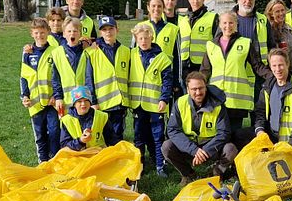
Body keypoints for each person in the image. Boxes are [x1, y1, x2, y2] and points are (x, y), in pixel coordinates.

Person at [200, 11, 271, 134]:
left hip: (236, 101)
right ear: (220, 25)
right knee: (217, 134)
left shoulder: (245, 43)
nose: (228, 26)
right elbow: (205, 71)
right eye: (225, 23)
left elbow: (258, 66)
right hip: (216, 99)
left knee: (235, 135)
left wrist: (274, 76)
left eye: (231, 23)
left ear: (236, 24)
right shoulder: (211, 45)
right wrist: (197, 85)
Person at [162, 72, 238, 186]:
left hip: (211, 147)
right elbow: (172, 130)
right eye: (194, 89)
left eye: (201, 88)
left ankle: (215, 174)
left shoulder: (218, 105)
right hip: (190, 146)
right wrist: (194, 150)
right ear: (187, 90)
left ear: (206, 87)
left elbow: (224, 133)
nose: (198, 92)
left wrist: (206, 150)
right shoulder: (180, 103)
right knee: (166, 147)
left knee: (230, 149)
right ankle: (189, 175)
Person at [129, 24, 173, 177]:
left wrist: (164, 99)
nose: (143, 41)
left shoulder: (162, 58)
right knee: (139, 136)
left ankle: (160, 165)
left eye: (146, 38)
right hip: (138, 104)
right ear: (136, 39)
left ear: (152, 38)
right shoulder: (131, 54)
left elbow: (167, 82)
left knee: (158, 136)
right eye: (140, 38)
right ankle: (139, 165)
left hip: (156, 105)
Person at [254, 48, 292, 149]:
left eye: (280, 65)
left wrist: (290, 144)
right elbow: (260, 112)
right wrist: (260, 130)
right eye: (274, 66)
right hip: (272, 142)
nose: (278, 69)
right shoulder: (267, 87)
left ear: (287, 64)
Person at [20, 18, 60, 162]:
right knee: (40, 135)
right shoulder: (27, 53)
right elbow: (24, 77)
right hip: (35, 103)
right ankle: (42, 162)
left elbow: (59, 75)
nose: (40, 36)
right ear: (32, 34)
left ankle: (55, 160)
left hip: (52, 102)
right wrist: (24, 95)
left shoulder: (55, 52)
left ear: (48, 32)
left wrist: (56, 95)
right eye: (36, 33)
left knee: (55, 132)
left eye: (42, 33)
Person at [85, 16, 129, 145]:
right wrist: (93, 101)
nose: (108, 32)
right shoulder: (92, 52)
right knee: (102, 137)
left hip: (120, 103)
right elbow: (89, 79)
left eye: (111, 28)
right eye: (104, 30)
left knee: (118, 135)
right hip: (102, 104)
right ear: (100, 33)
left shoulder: (125, 51)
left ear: (117, 30)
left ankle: (117, 161)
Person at [51, 17, 92, 114]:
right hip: (66, 102)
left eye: (75, 31)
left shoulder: (88, 52)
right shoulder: (57, 53)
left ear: (80, 34)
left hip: (84, 102)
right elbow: (55, 78)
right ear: (64, 34)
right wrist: (58, 97)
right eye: (69, 31)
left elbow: (91, 78)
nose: (72, 34)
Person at [178, 0, 219, 79]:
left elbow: (217, 43)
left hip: (203, 65)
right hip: (185, 65)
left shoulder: (213, 18)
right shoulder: (182, 20)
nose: (195, 1)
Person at [59, 86, 114, 150]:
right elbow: (64, 145)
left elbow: (112, 139)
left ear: (90, 102)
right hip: (77, 155)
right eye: (79, 101)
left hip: (98, 154)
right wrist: (80, 141)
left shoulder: (102, 116)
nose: (83, 104)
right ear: (74, 104)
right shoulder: (66, 120)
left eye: (86, 100)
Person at [234, 0, 273, 64]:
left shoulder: (263, 20)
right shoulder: (227, 19)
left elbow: (271, 45)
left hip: (260, 69)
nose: (248, 1)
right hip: (236, 69)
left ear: (255, 1)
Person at [265, 0, 292, 76]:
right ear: (271, 14)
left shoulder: (290, 29)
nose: (281, 13)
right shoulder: (267, 30)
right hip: (276, 73)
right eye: (277, 11)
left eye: (282, 10)